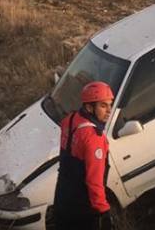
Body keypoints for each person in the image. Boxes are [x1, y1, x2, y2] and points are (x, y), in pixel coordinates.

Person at [53, 81, 115, 230]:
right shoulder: (94, 138)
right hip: (81, 207)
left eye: (110, 104)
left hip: (62, 196)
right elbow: (94, 180)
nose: (109, 111)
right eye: (103, 105)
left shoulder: (70, 119)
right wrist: (103, 210)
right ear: (89, 107)